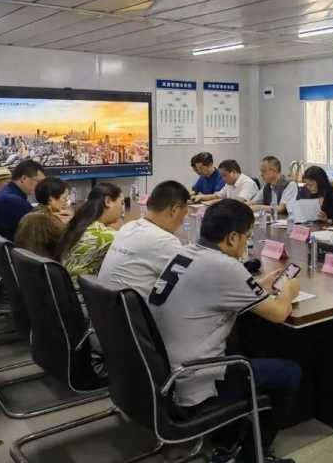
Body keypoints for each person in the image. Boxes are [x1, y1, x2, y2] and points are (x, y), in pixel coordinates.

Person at [149, 199, 300, 463]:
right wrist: (287, 289)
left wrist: (256, 285)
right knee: (289, 372)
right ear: (232, 237)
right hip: (194, 382)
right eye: (246, 236)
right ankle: (252, 455)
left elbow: (219, 290)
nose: (246, 243)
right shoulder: (224, 267)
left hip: (163, 374)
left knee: (239, 341)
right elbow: (278, 313)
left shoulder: (185, 252)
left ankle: (229, 437)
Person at [97, 181, 188, 299]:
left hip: (104, 305)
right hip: (129, 309)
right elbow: (189, 283)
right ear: (174, 210)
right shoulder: (165, 240)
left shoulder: (127, 227)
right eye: (184, 214)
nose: (183, 221)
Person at [57, 183, 124, 281]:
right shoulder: (103, 236)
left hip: (68, 286)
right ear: (108, 201)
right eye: (121, 203)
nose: (122, 209)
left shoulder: (78, 224)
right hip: (83, 289)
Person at [0, 159, 45, 241]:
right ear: (23, 178)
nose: (40, 186)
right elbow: (39, 226)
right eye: (38, 182)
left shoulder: (7, 191)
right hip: (14, 246)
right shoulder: (12, 200)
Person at [14, 177, 72, 259]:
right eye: (64, 198)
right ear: (51, 199)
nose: (67, 202)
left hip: (26, 263)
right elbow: (72, 242)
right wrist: (71, 221)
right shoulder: (44, 219)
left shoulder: (35, 212)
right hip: (42, 266)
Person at [193, 159, 258, 204]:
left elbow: (238, 202)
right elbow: (217, 196)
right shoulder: (229, 183)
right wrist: (201, 197)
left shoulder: (247, 183)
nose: (223, 179)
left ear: (233, 172)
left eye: (224, 175)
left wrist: (216, 201)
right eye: (222, 176)